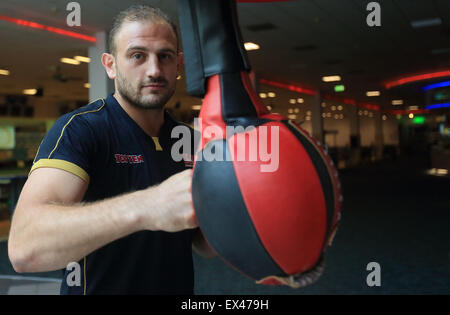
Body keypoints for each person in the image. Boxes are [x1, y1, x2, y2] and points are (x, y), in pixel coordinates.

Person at [8, 5, 215, 295]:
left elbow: (204, 244)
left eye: (164, 56)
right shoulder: (81, 129)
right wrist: (148, 206)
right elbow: (25, 248)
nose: (154, 69)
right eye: (137, 55)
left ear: (178, 64)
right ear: (110, 64)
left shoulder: (191, 142)